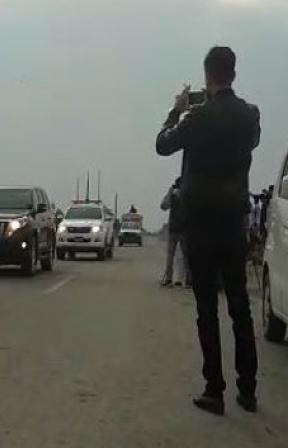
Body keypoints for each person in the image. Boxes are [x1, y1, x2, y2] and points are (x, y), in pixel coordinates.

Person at [156, 46, 261, 415]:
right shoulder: (250, 115)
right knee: (240, 306)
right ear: (232, 73)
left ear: (207, 76)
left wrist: (178, 110)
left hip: (200, 223)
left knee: (207, 308)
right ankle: (248, 389)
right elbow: (251, 142)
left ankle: (214, 389)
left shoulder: (196, 119)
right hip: (234, 220)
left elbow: (162, 144)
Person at [160, 177, 189, 288]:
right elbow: (163, 206)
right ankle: (187, 279)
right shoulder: (186, 193)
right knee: (184, 255)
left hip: (178, 227)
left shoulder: (176, 194)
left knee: (172, 255)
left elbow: (163, 206)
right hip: (182, 227)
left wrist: (170, 193)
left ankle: (170, 278)